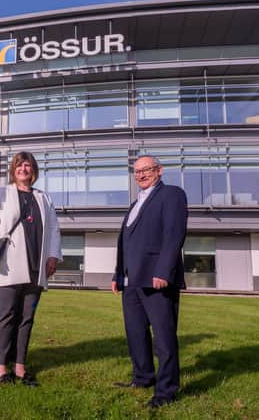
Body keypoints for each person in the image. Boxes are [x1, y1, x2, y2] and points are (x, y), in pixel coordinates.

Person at [111, 155, 187, 409]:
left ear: (159, 170)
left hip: (157, 279)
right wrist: (117, 274)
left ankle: (166, 391)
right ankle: (143, 377)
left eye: (146, 170)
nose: (141, 175)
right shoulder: (134, 204)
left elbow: (174, 234)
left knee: (163, 338)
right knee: (135, 333)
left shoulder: (172, 195)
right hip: (131, 281)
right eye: (137, 172)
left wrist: (164, 271)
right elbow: (125, 243)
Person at [0, 151, 62, 387]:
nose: (23, 169)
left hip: (36, 265)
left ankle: (20, 367)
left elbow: (54, 229)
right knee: (7, 316)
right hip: (10, 263)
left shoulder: (43, 198)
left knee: (27, 318)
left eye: (27, 165)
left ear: (33, 170)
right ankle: (1, 368)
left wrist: (53, 256)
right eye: (19, 165)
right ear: (13, 170)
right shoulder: (3, 193)